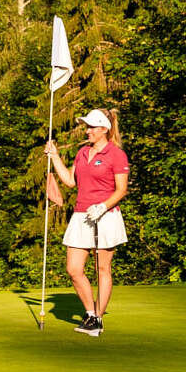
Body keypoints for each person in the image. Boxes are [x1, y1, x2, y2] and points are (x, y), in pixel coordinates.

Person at [44, 107, 129, 337]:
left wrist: (103, 206)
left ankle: (98, 319)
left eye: (92, 127)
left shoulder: (116, 155)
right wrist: (54, 157)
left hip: (106, 215)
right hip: (81, 215)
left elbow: (122, 190)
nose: (88, 130)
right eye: (87, 126)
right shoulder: (82, 153)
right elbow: (71, 181)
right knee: (73, 268)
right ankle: (90, 313)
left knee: (103, 268)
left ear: (104, 129)